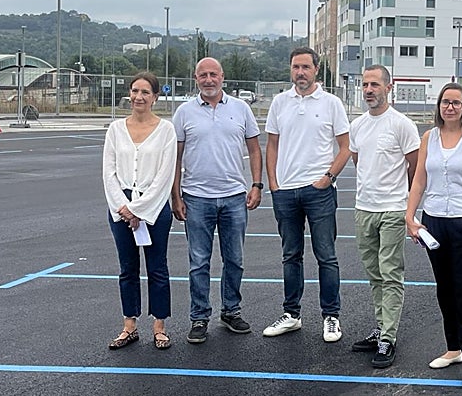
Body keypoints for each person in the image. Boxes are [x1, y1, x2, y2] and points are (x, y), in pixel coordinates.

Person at [405, 82, 462, 388]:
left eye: (456, 102)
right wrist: (410, 216)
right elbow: (419, 179)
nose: (450, 107)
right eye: (446, 102)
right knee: (445, 289)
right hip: (435, 222)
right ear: (439, 105)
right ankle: (454, 348)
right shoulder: (429, 137)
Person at [172, 57, 263, 345]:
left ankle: (231, 311)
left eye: (213, 74)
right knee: (199, 262)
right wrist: (176, 195)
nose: (208, 79)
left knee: (234, 259)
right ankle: (199, 317)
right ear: (195, 78)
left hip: (234, 197)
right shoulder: (184, 113)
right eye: (203, 75)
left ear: (222, 77)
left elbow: (255, 149)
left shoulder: (241, 109)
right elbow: (175, 157)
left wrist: (257, 184)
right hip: (196, 197)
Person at [263, 46, 351, 342]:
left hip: (319, 192)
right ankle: (291, 314)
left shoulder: (331, 103)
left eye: (305, 67)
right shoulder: (279, 102)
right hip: (285, 192)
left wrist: (328, 178)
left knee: (326, 256)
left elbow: (345, 147)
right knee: (291, 255)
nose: (300, 72)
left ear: (316, 70)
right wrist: (273, 183)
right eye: (295, 67)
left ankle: (331, 316)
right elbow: (272, 144)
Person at [347, 65, 420, 368]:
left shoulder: (402, 125)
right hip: (364, 208)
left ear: (389, 88)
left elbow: (415, 166)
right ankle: (380, 328)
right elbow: (358, 160)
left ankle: (388, 337)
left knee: (390, 274)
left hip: (392, 210)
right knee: (374, 274)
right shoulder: (358, 125)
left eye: (375, 84)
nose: (369, 90)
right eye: (365, 84)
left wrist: (407, 206)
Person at [102, 71, 177, 350]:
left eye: (145, 92)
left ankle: (159, 326)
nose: (139, 97)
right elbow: (108, 172)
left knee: (157, 267)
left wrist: (139, 210)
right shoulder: (115, 129)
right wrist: (123, 208)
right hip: (120, 207)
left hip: (154, 208)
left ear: (155, 97)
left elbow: (165, 175)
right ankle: (129, 326)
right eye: (135, 91)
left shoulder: (166, 130)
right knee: (127, 268)